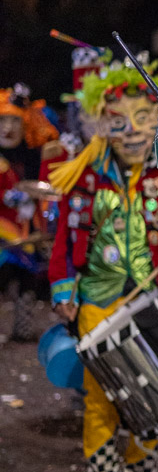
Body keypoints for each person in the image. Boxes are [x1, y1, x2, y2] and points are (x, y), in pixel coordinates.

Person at [48, 57, 158, 472]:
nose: (135, 133)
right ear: (103, 126)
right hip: (97, 301)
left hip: (152, 304)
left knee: (153, 391)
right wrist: (64, 290)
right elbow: (63, 238)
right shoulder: (85, 176)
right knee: (102, 395)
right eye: (121, 123)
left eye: (145, 120)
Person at [0, 84, 59, 339]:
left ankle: (22, 329)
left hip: (24, 230)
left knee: (26, 280)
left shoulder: (31, 156)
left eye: (14, 121)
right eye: (3, 120)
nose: (8, 128)